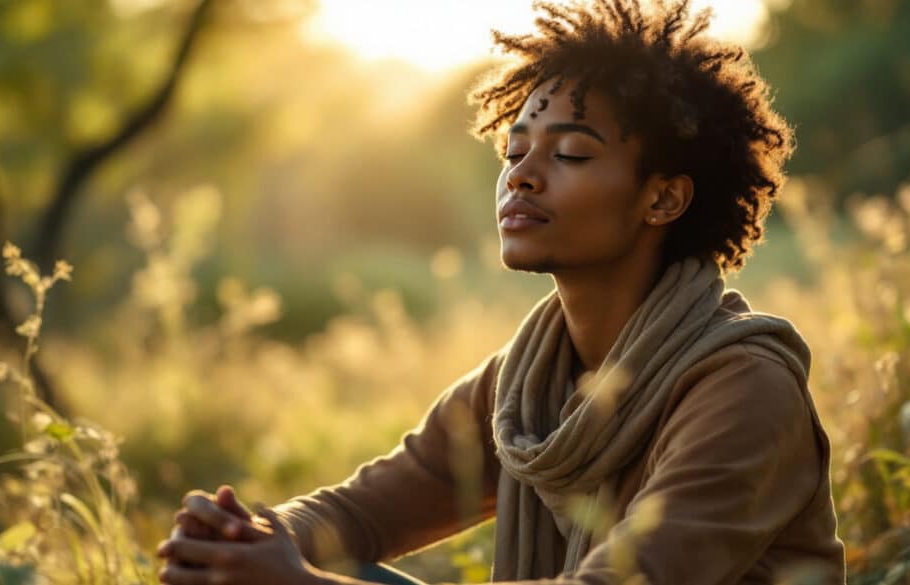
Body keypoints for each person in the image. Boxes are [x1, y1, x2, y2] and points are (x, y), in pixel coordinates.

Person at [156, 1, 847, 583]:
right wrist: (245, 537)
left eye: (570, 153)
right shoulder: (524, 385)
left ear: (662, 198)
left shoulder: (743, 389)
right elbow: (357, 514)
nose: (522, 175)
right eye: (514, 151)